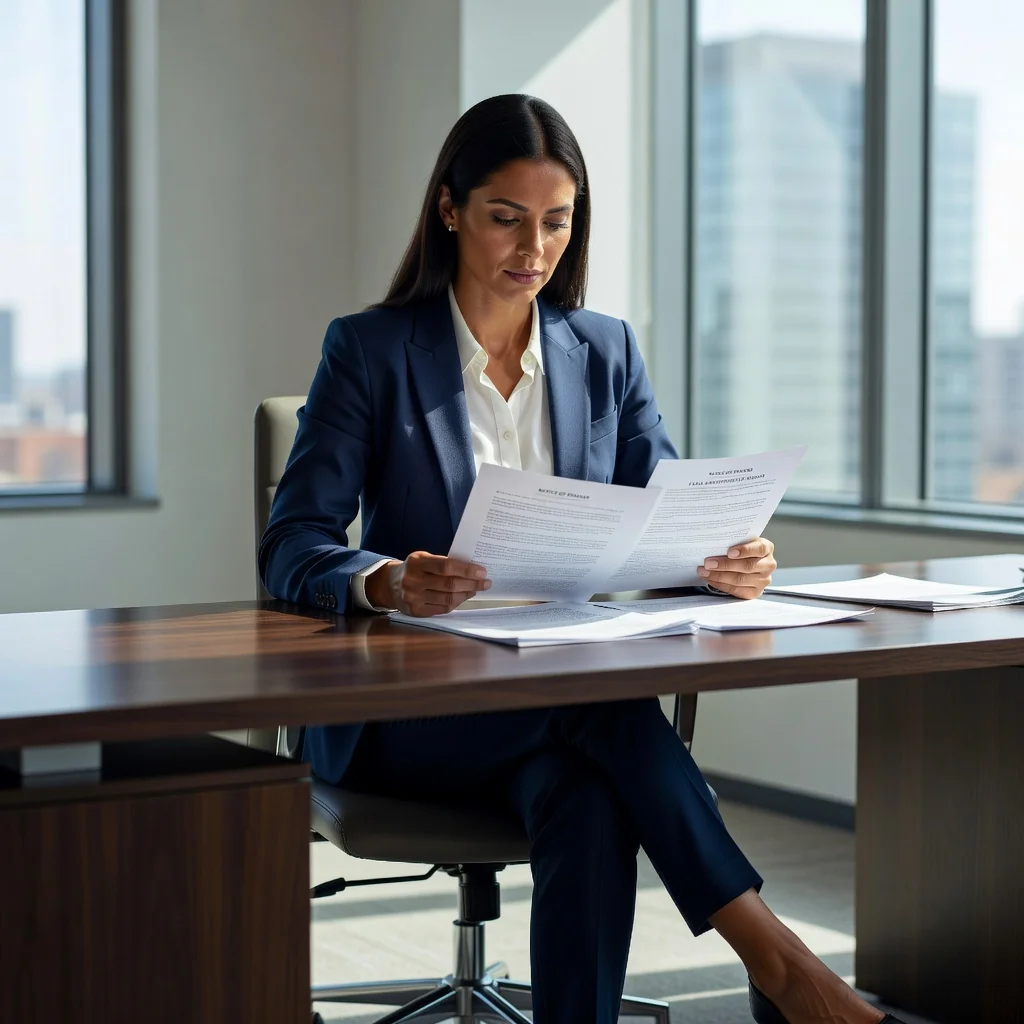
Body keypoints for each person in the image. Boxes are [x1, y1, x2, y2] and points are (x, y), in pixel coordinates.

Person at [260, 94, 902, 1024]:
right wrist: (387, 577)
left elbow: (668, 511)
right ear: (451, 210)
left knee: (589, 797)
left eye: (556, 222)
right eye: (505, 218)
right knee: (605, 712)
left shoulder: (604, 351)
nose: (533, 247)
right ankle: (782, 965)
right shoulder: (369, 350)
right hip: (412, 714)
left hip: (556, 708)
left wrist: (725, 559)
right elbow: (291, 546)